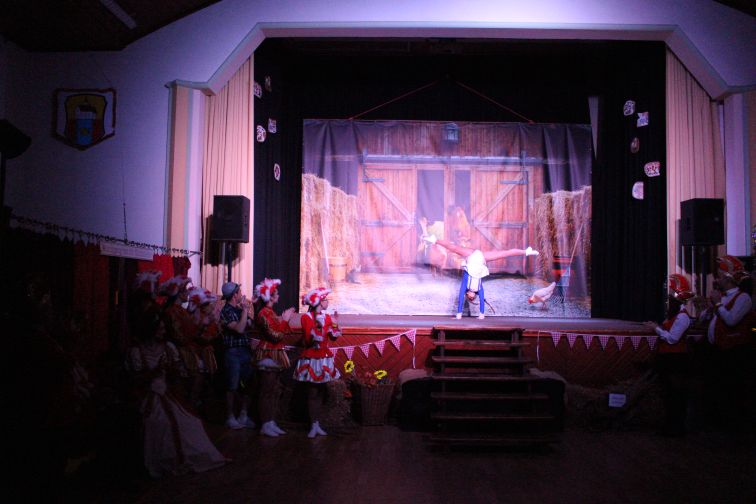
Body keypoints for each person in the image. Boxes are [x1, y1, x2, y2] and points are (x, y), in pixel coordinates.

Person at [127, 310, 228, 478]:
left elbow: (176, 376)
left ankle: (181, 456)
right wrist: (155, 372)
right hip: (146, 396)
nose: (163, 331)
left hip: (167, 393)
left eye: (163, 328)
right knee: (158, 422)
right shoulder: (137, 352)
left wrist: (171, 371)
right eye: (159, 329)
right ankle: (161, 459)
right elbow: (135, 380)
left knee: (190, 421)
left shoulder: (168, 348)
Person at [422, 235, 539, 319]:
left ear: (467, 295)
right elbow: (482, 300)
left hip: (471, 255)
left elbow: (461, 298)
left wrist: (459, 314)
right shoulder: (478, 289)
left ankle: (434, 239)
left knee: (454, 248)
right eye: (473, 298)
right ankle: (526, 252)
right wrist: (481, 314)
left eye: (470, 298)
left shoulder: (466, 286)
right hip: (482, 257)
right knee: (504, 253)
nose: (471, 297)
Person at [704, 255, 754, 431]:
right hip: (718, 350)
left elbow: (731, 320)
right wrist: (708, 308)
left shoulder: (743, 298)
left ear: (728, 279)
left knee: (732, 389)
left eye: (719, 276)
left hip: (734, 352)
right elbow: (707, 319)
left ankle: (734, 426)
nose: (716, 280)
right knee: (718, 388)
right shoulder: (722, 297)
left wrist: (718, 304)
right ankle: (719, 423)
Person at [645, 274, 694, 436]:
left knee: (676, 394)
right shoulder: (674, 316)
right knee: (669, 393)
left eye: (670, 297)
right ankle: (670, 425)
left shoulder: (682, 317)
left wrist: (656, 329)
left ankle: (677, 427)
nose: (668, 301)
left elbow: (673, 339)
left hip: (676, 360)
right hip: (668, 359)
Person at [293, 287, 341, 438]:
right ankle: (312, 424)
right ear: (318, 302)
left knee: (320, 391)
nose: (327, 302)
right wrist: (318, 328)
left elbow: (333, 337)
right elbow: (308, 340)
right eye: (325, 299)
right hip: (312, 358)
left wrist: (335, 324)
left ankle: (317, 423)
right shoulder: (306, 318)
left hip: (324, 357)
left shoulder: (327, 317)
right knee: (313, 392)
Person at [253, 278, 296, 437]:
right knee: (266, 390)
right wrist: (285, 320)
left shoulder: (270, 312)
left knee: (273, 390)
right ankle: (265, 424)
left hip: (275, 352)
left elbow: (280, 332)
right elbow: (275, 336)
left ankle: (271, 422)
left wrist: (283, 319)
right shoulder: (263, 313)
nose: (278, 295)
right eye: (276, 293)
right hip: (267, 353)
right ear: (270, 296)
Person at [219, 281, 255, 430]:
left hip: (245, 351)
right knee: (232, 386)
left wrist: (249, 309)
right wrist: (245, 310)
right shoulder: (226, 311)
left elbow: (250, 325)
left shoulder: (239, 310)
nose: (241, 294)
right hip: (232, 352)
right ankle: (230, 417)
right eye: (239, 292)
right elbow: (239, 329)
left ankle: (243, 415)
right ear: (234, 295)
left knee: (248, 384)